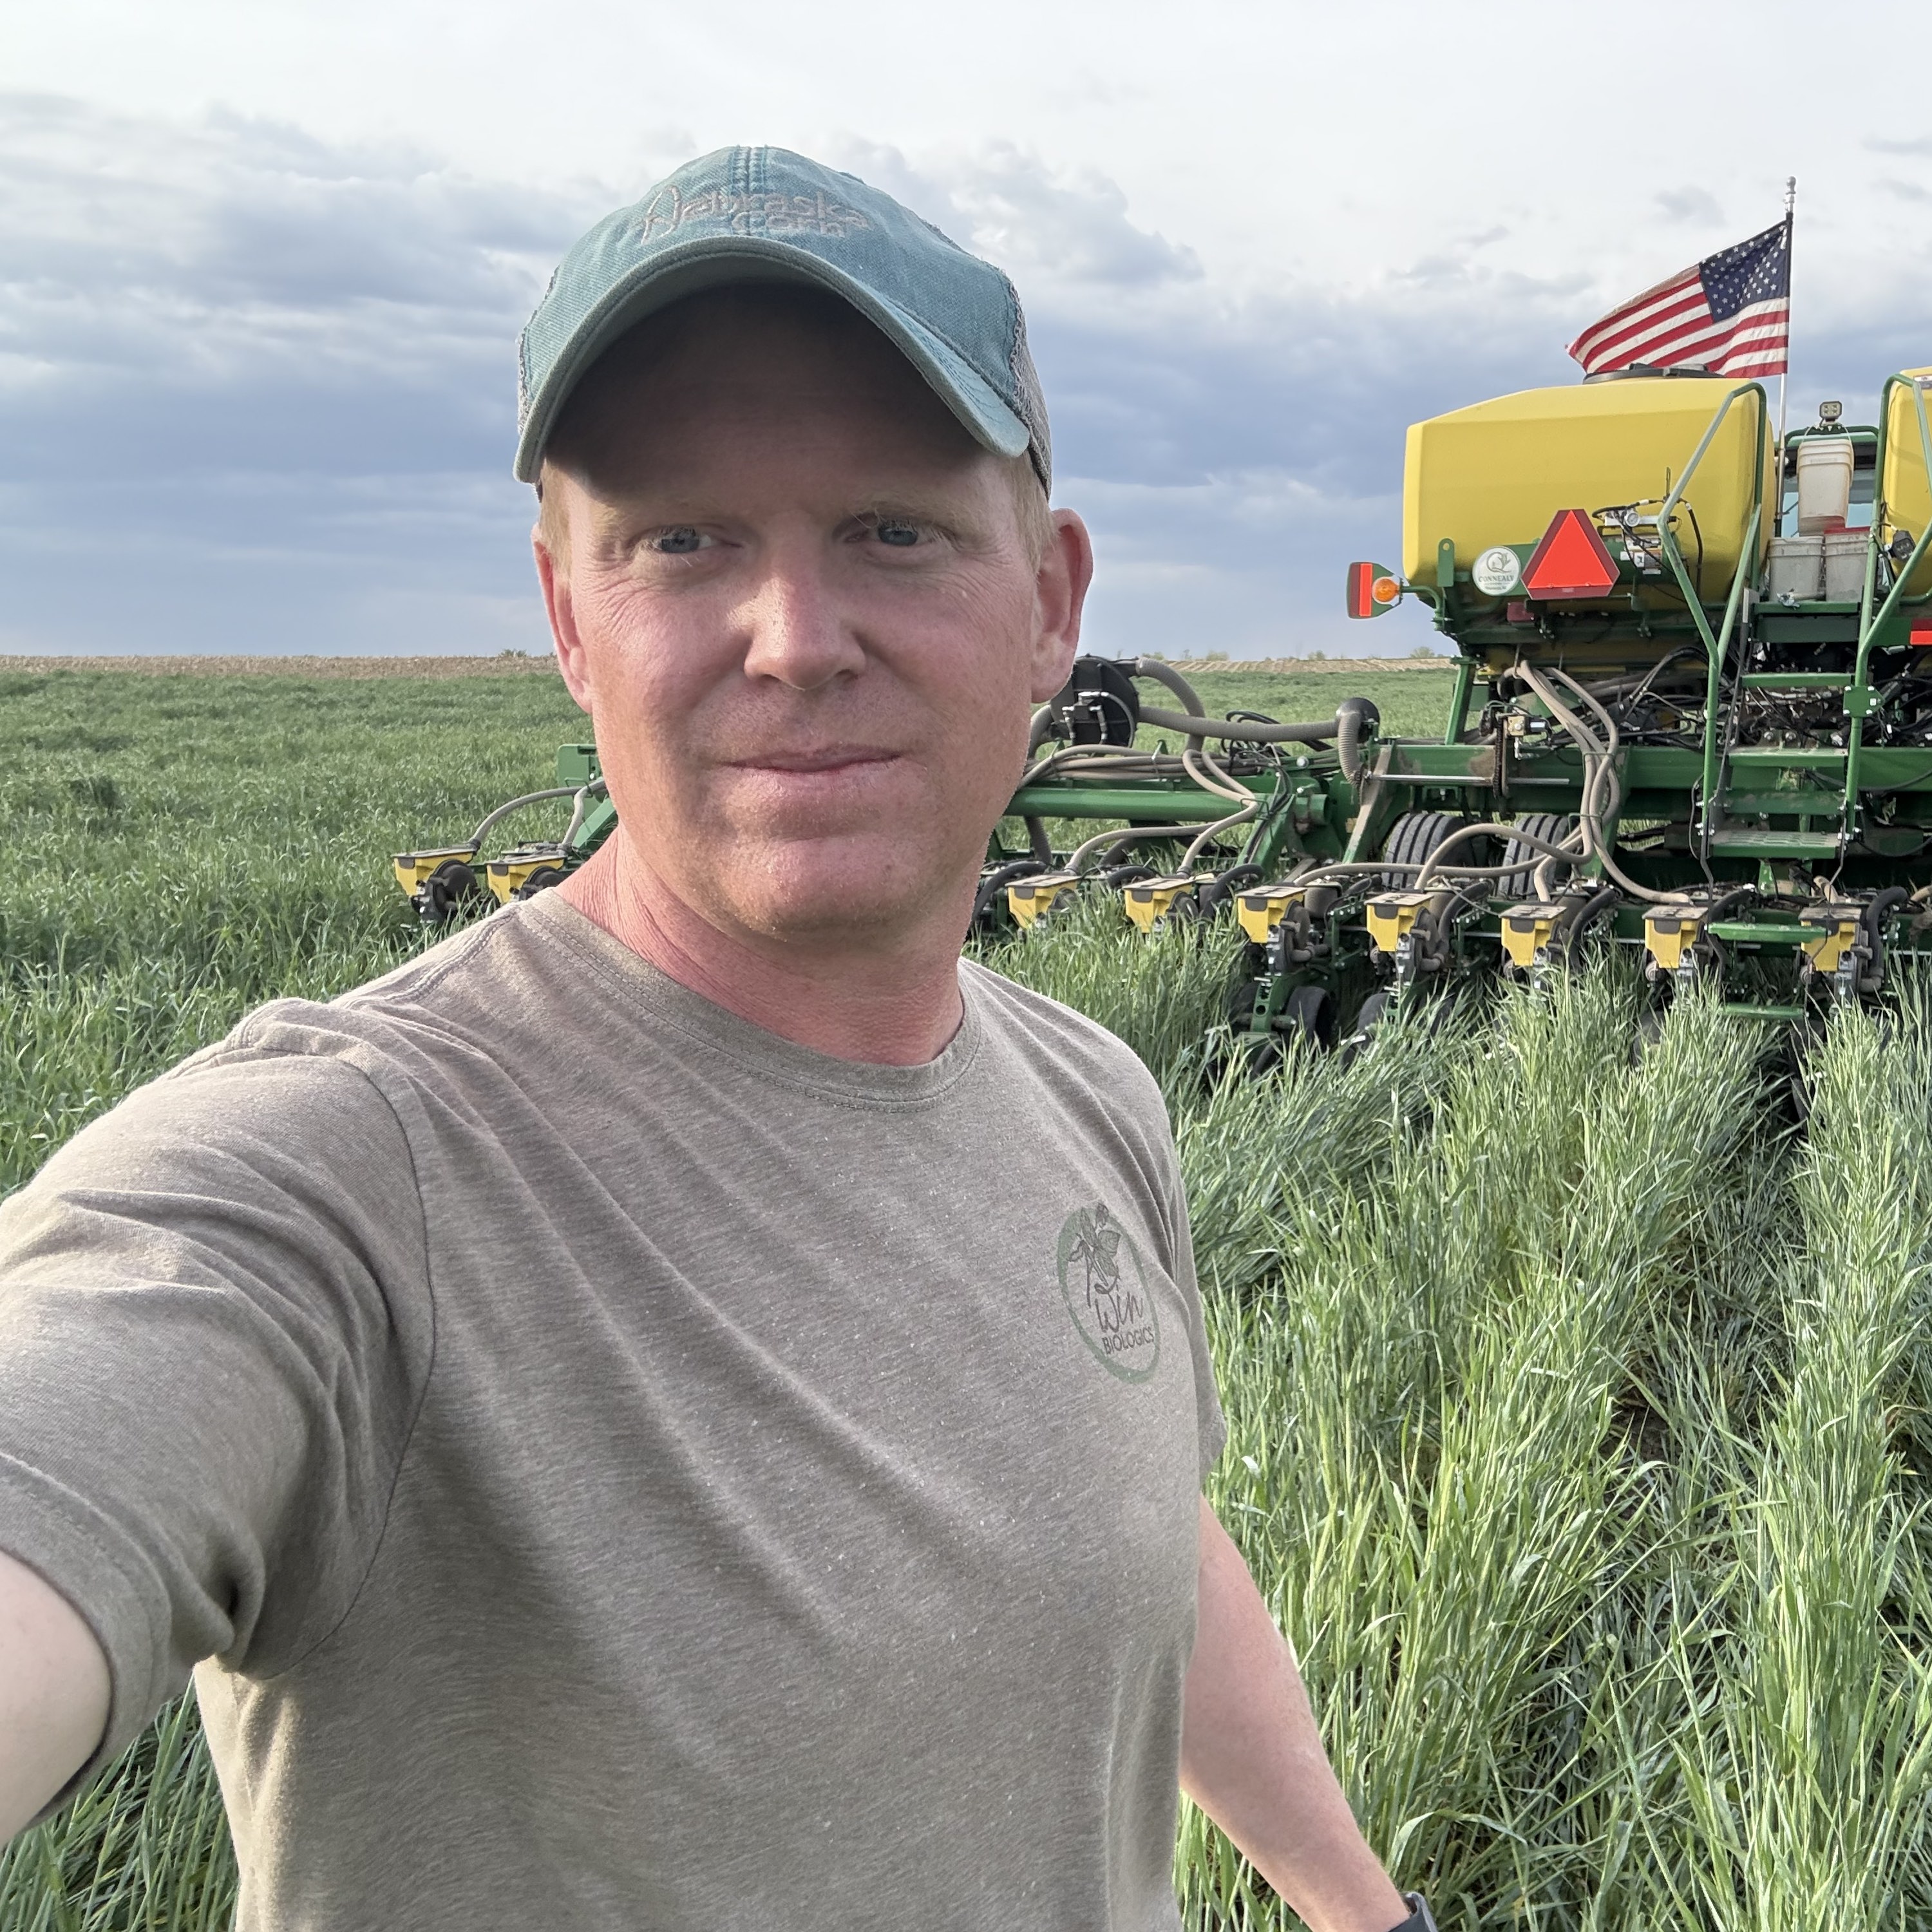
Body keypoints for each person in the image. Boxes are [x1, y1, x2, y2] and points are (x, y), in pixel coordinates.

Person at [0, 146, 1428, 1932]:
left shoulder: (1088, 1096)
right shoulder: (344, 1180)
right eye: (684, 542)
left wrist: (1367, 1913)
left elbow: (1149, 1555)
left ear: (1052, 601)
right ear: (569, 621)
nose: (794, 639)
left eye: (892, 530)